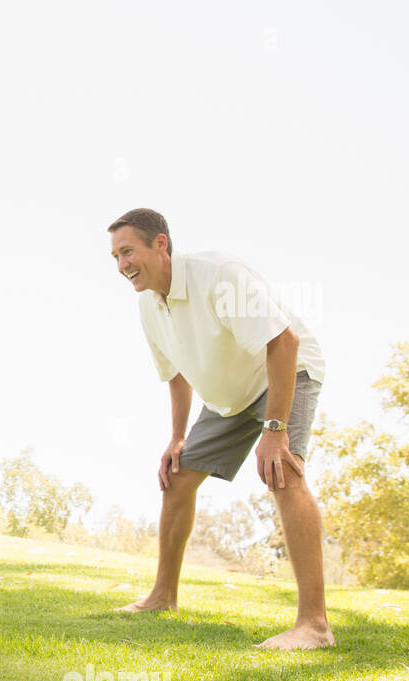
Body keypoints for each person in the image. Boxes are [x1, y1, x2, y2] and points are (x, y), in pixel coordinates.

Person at [108, 208, 333, 650]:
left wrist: (274, 430)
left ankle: (315, 625)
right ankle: (161, 598)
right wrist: (177, 437)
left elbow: (282, 342)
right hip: (229, 397)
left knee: (283, 473)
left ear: (160, 244)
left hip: (284, 372)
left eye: (128, 251)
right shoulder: (149, 305)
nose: (122, 266)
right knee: (177, 478)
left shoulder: (220, 275)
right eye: (114, 256)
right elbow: (176, 375)